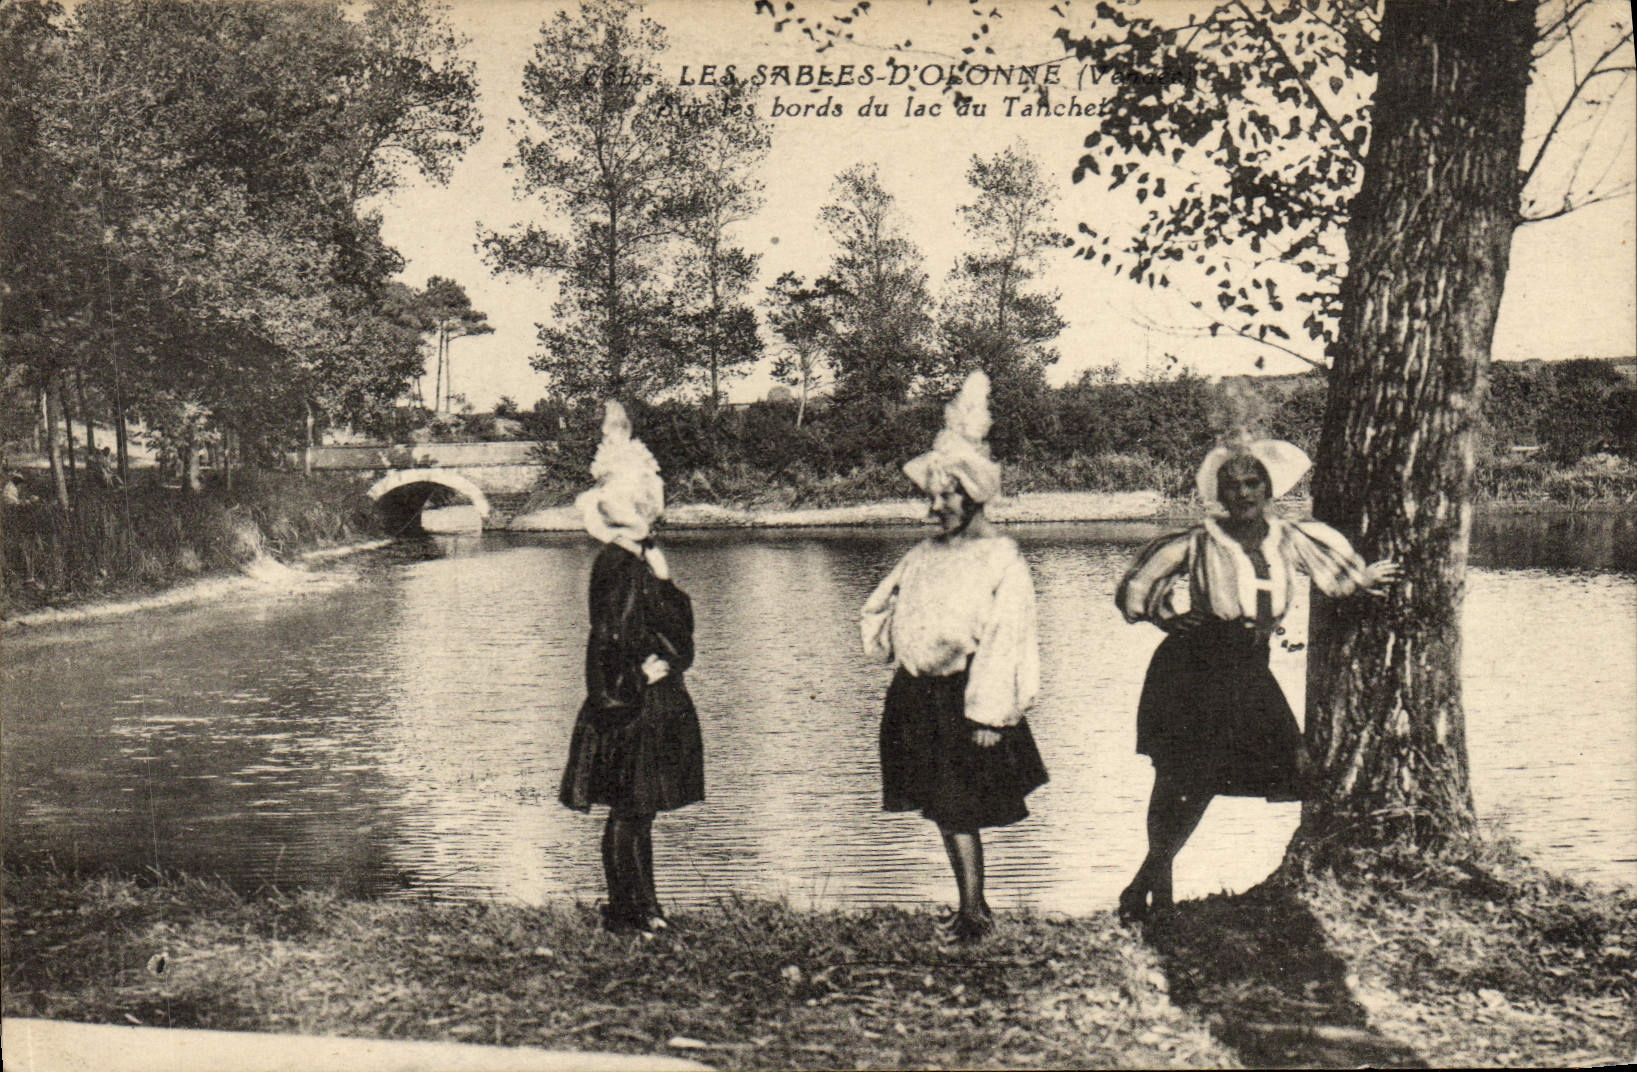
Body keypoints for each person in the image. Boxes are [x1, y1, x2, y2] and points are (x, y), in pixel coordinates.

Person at [1113, 438, 1401, 922]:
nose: (1243, 493)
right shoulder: (1201, 540)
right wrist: (1166, 618)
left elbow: (1333, 571)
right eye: (1232, 485)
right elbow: (1136, 586)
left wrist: (1362, 578)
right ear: (1220, 493)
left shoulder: (1288, 537)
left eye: (1253, 483)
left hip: (1248, 665)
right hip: (1194, 663)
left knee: (1249, 770)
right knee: (1180, 777)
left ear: (1269, 489)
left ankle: (1141, 888)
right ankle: (1156, 893)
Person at [860, 371, 1048, 942]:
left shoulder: (1000, 558)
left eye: (949, 496)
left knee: (959, 805)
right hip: (917, 694)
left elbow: (1008, 638)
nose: (936, 506)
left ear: (975, 497)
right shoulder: (924, 553)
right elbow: (879, 606)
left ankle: (974, 912)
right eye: (933, 496)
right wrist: (898, 644)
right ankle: (970, 906)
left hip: (966, 698)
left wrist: (991, 714)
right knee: (942, 805)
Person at [559, 402, 704, 937]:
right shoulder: (621, 564)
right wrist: (647, 672)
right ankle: (633, 912)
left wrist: (663, 590)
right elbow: (615, 635)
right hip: (630, 700)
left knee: (636, 809)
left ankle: (639, 908)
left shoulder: (636, 560)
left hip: (634, 696)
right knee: (632, 809)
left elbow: (672, 627)